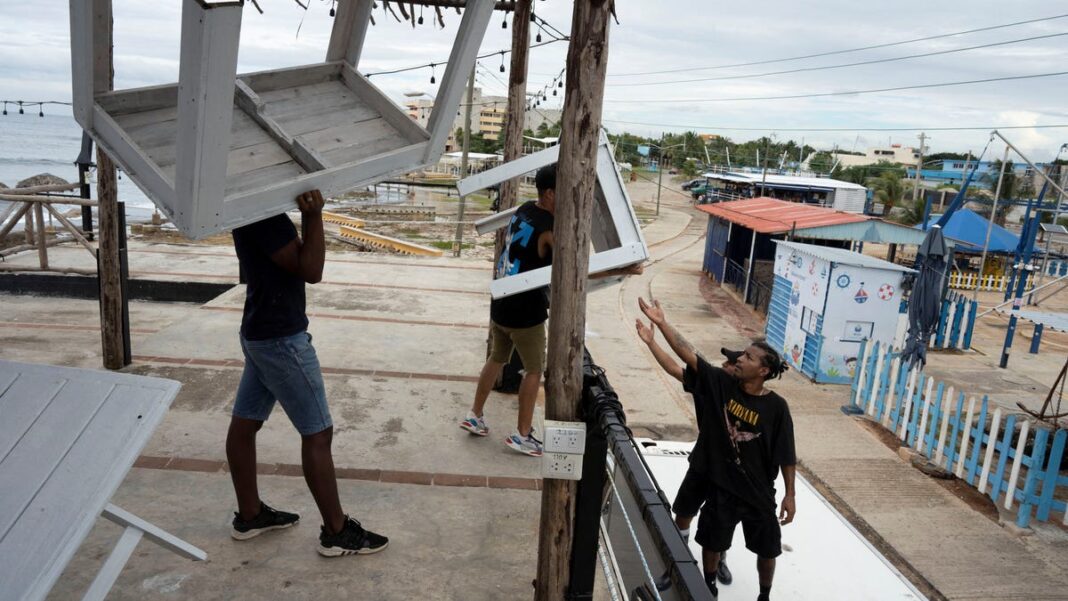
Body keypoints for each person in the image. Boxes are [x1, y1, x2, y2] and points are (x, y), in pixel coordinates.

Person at [227, 189, 388, 557]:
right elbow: (311, 270)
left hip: (259, 331)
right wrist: (314, 215)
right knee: (318, 433)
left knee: (245, 423)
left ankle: (251, 515)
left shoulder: (249, 205)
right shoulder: (264, 217)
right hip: (281, 339)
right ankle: (336, 531)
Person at [461, 164, 641, 456]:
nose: (572, 198)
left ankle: (475, 415)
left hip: (503, 300)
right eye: (566, 193)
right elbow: (572, 267)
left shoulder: (524, 209)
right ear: (550, 193)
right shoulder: (550, 228)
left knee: (497, 358)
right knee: (533, 370)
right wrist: (623, 268)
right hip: (525, 310)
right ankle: (522, 434)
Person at [637, 297, 795, 601]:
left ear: (763, 371)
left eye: (746, 358)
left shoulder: (776, 408)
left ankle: (759, 590)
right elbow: (682, 359)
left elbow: (786, 452)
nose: (736, 362)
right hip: (710, 470)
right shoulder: (718, 382)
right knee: (698, 522)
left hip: (754, 489)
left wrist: (790, 493)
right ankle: (690, 574)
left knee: (763, 546)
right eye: (738, 357)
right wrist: (658, 327)